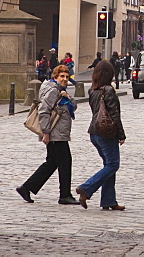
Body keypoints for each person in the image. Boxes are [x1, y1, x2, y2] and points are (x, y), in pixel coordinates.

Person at [17, 65, 80, 205]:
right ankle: (65, 195)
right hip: (55, 134)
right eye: (61, 76)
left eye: (66, 76)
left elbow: (73, 107)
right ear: (55, 77)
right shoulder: (53, 91)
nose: (64, 79)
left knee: (52, 163)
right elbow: (43, 111)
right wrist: (46, 132)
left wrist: (68, 97)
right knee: (65, 162)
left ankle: (26, 187)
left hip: (58, 133)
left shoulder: (61, 91)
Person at [76, 60, 126, 211]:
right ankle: (86, 188)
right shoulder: (108, 91)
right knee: (113, 164)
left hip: (95, 132)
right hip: (106, 133)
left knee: (109, 165)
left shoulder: (93, 91)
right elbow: (114, 115)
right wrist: (121, 134)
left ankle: (108, 200)